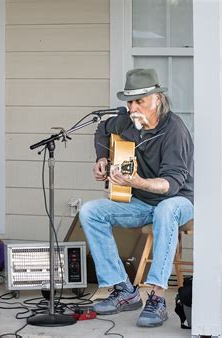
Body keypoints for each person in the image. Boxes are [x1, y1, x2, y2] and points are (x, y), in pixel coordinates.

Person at [79, 68, 194, 327]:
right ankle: (124, 290)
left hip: (178, 201)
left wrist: (136, 182)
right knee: (90, 211)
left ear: (158, 99)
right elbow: (102, 129)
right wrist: (101, 159)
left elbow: (171, 185)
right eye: (129, 101)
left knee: (165, 210)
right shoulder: (127, 121)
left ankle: (157, 298)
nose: (133, 108)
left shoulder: (174, 130)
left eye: (139, 101)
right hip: (141, 202)